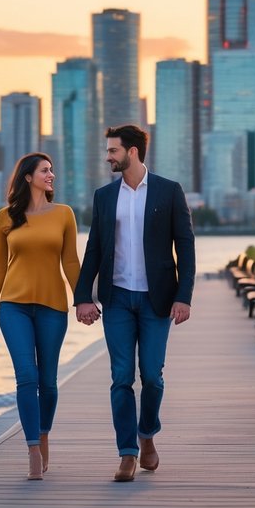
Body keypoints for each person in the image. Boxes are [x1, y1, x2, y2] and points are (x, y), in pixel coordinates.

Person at [74, 124, 196, 483]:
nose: (108, 156)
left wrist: (183, 297)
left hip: (156, 300)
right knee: (121, 377)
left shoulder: (169, 191)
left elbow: (186, 248)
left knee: (153, 378)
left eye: (113, 151)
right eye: (108, 150)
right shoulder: (104, 196)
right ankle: (127, 453)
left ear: (133, 152)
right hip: (116, 300)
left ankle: (147, 435)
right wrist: (83, 297)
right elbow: (94, 248)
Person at [0, 152, 82, 481]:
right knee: (26, 376)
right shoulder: (5, 217)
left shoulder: (64, 214)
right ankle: (32, 451)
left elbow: (70, 262)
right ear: (28, 177)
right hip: (13, 306)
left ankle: (42, 433)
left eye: (52, 170)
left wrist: (83, 299)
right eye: (44, 170)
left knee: (48, 383)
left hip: (53, 307)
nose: (51, 175)